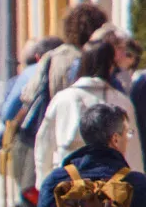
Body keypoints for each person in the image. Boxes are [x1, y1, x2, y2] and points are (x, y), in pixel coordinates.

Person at [35, 38, 145, 176]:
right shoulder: (121, 102)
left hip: (69, 184)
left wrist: (44, 181)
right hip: (114, 186)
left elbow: (44, 144)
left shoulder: (63, 99)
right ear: (110, 66)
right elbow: (132, 151)